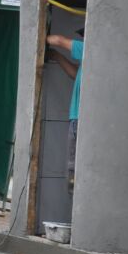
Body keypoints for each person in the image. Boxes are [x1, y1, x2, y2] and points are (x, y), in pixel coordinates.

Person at [45, 29, 85, 185]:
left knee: (74, 166)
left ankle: (75, 195)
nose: (82, 38)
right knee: (73, 166)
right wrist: (56, 56)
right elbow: (75, 73)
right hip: (77, 118)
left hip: (80, 119)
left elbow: (59, 40)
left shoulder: (88, 47)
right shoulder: (88, 59)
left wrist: (40, 35)